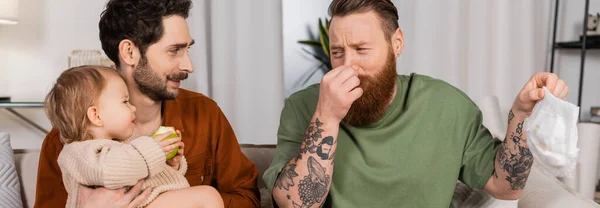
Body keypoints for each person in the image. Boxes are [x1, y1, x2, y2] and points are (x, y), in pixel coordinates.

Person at [263, 0, 570, 207]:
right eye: (338, 52)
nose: (348, 65)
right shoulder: (305, 107)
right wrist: (327, 116)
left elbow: (507, 187)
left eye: (361, 49)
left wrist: (520, 114)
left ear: (396, 44)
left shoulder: (446, 106)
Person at [34, 0, 260, 207]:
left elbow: (247, 198)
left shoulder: (205, 113)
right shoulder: (64, 141)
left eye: (187, 49)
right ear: (130, 52)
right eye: (174, 51)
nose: (189, 66)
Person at [44, 66, 224, 208]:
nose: (133, 108)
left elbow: (142, 170)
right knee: (208, 196)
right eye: (125, 102)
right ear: (96, 116)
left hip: (145, 200)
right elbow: (112, 170)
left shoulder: (125, 143)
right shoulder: (79, 152)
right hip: (138, 204)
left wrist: (169, 163)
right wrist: (155, 150)